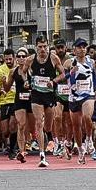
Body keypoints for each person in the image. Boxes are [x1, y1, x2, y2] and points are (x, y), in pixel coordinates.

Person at [27, 36, 65, 168]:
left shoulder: (53, 58)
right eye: (40, 47)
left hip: (49, 94)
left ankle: (47, 135)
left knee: (48, 125)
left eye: (45, 46)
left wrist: (53, 81)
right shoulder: (31, 59)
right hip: (36, 94)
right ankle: (42, 155)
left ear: (48, 47)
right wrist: (27, 80)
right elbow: (23, 71)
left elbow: (63, 74)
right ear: (36, 47)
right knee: (38, 122)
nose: (42, 49)